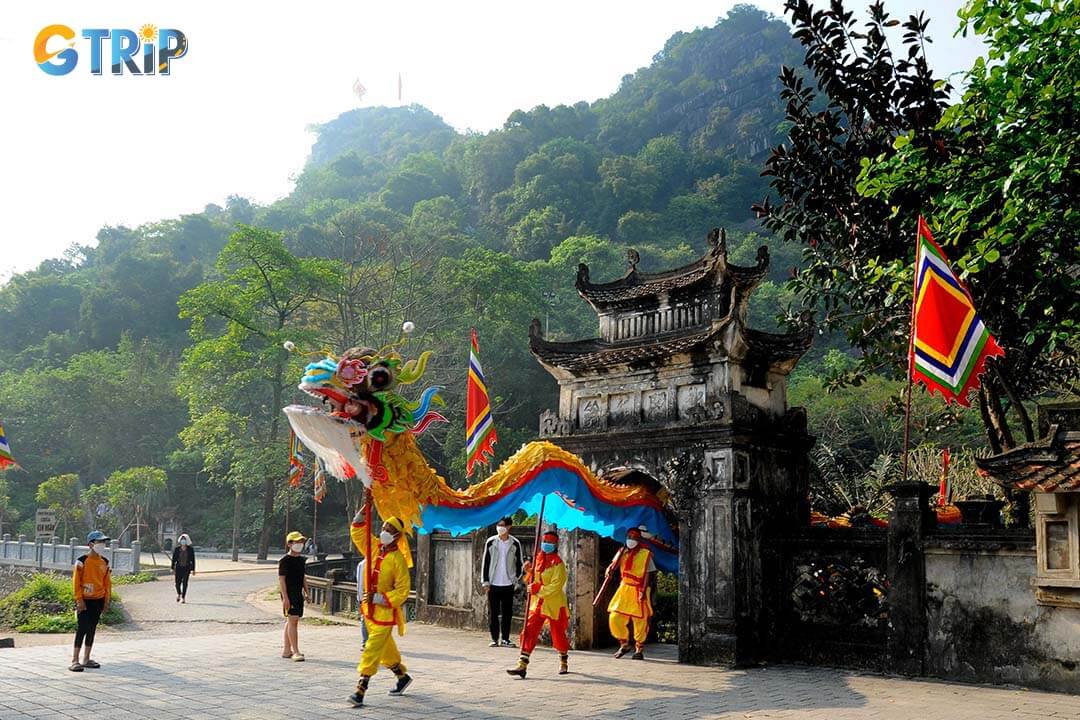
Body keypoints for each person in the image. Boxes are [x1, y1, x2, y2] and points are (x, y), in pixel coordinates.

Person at [348, 496, 413, 708]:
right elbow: (359, 534)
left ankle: (361, 689)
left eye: (389, 528)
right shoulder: (375, 547)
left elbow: (403, 590)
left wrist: (382, 598)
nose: (384, 530)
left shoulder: (398, 560)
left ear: (396, 536)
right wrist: (362, 512)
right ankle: (401, 676)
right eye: (383, 526)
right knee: (385, 649)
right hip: (369, 609)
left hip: (384, 612)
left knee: (372, 647)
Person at [506, 529, 569, 678]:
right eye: (544, 541)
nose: (546, 544)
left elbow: (556, 586)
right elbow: (529, 582)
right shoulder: (537, 560)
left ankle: (563, 659)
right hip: (537, 603)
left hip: (554, 604)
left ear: (555, 544)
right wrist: (528, 571)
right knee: (528, 631)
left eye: (549, 542)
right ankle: (522, 665)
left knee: (557, 634)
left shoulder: (558, 565)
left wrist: (537, 588)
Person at [607, 527, 656, 660]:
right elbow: (613, 566)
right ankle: (624, 644)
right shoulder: (622, 552)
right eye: (629, 537)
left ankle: (639, 649)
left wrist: (643, 590)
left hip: (639, 588)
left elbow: (647, 574)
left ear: (638, 539)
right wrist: (609, 570)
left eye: (634, 538)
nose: (631, 540)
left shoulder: (646, 554)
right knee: (615, 617)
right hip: (624, 589)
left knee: (640, 620)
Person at [70, 530, 112, 672]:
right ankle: (75, 659)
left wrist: (106, 601)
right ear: (91, 544)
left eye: (103, 542)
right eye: (99, 542)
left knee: (92, 628)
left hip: (98, 600)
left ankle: (86, 658)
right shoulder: (81, 561)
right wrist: (79, 600)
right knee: (82, 629)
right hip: (84, 600)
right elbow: (76, 582)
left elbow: (107, 583)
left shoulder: (104, 562)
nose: (102, 545)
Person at [481, 516, 523, 647]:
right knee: (493, 612)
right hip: (493, 583)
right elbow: (485, 563)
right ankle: (494, 638)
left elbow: (519, 563)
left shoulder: (515, 543)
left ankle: (505, 638)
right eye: (498, 525)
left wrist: (516, 579)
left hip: (508, 583)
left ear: (509, 527)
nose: (500, 527)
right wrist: (485, 582)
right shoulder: (491, 542)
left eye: (503, 525)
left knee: (507, 613)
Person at [278, 530, 310, 661]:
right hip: (289, 593)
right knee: (293, 621)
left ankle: (287, 650)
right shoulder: (285, 560)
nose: (300, 544)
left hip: (298, 593)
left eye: (301, 542)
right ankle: (295, 651)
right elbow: (281, 579)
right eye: (297, 542)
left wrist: (307, 592)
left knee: (291, 621)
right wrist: (285, 597)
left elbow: (303, 577)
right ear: (289, 544)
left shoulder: (301, 560)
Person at [170, 533, 196, 603]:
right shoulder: (177, 549)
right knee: (177, 583)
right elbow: (174, 559)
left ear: (187, 541)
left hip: (186, 568)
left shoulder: (190, 549)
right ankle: (179, 593)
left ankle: (183, 597)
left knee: (185, 583)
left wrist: (193, 569)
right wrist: (172, 568)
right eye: (182, 540)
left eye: (184, 540)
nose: (183, 541)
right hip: (178, 568)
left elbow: (193, 560)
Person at [355, 557, 368, 651]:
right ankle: (365, 642)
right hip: (365, 597)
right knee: (365, 619)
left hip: (378, 597)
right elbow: (360, 584)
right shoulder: (363, 564)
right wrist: (360, 599)